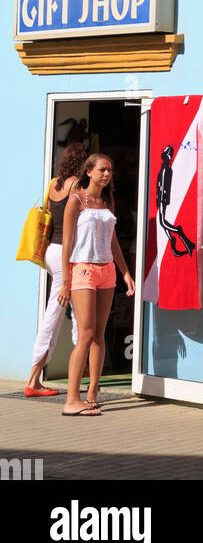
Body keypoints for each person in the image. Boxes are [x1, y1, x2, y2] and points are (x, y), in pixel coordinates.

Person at [57, 154, 134, 417]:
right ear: (88, 171)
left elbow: (113, 243)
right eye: (102, 170)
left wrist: (125, 273)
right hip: (83, 269)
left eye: (110, 170)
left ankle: (92, 393)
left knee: (99, 334)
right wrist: (66, 280)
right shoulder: (76, 200)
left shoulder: (105, 202)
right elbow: (67, 243)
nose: (107, 174)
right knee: (86, 333)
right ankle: (71, 399)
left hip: (107, 271)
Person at [24, 142, 87, 396]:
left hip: (51, 250)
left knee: (75, 310)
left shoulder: (54, 184)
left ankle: (80, 369)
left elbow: (50, 216)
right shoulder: (76, 186)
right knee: (56, 313)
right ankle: (33, 379)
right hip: (65, 254)